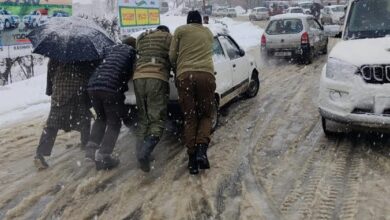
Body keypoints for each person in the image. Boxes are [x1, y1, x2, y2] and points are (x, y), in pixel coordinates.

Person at [169, 10, 215, 175]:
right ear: (200, 22)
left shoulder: (180, 31)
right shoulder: (208, 32)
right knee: (206, 115)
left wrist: (178, 68)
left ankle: (192, 161)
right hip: (206, 75)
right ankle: (202, 150)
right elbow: (210, 49)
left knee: (190, 117)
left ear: (188, 21)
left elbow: (172, 56)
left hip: (185, 76)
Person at [34, 59, 99, 170]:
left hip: (59, 93)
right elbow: (90, 75)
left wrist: (50, 90)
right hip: (78, 92)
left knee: (52, 125)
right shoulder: (85, 57)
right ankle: (87, 148)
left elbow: (50, 76)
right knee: (84, 120)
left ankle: (40, 155)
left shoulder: (54, 57)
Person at [85, 40, 136, 170]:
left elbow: (100, 65)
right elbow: (130, 73)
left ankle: (90, 151)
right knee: (114, 122)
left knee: (101, 118)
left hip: (93, 85)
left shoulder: (109, 49)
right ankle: (104, 155)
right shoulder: (131, 52)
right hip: (110, 88)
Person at [133, 25, 172, 172]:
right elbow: (173, 55)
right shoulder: (168, 37)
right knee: (157, 119)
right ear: (165, 31)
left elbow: (138, 52)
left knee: (143, 118)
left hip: (138, 77)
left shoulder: (143, 36)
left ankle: (140, 153)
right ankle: (144, 153)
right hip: (156, 77)